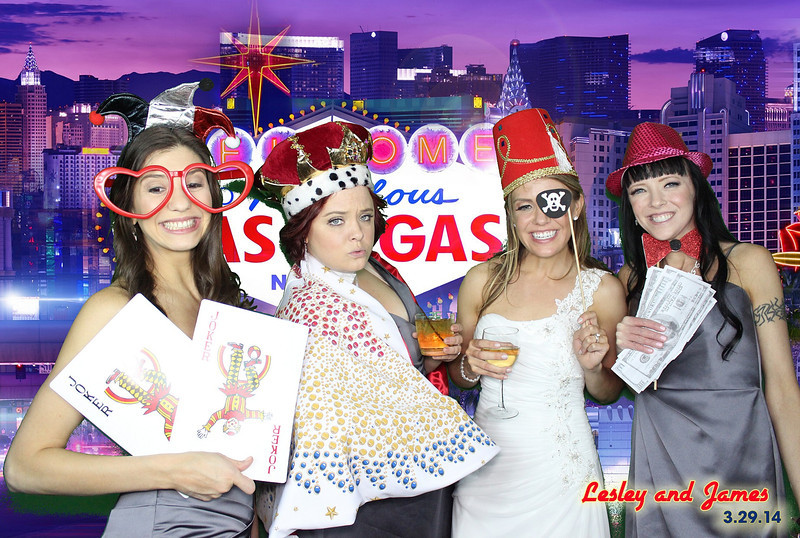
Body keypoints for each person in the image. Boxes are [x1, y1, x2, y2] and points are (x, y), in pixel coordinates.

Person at [4, 87, 258, 536]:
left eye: (194, 183)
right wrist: (172, 470)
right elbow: (26, 467)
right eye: (156, 187)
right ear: (129, 207)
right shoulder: (114, 310)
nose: (180, 202)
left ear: (214, 193)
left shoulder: (229, 307)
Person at [250, 121, 499, 537]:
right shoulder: (310, 306)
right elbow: (326, 423)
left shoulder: (379, 268)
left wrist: (434, 356)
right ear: (302, 231)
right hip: (365, 500)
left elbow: (397, 371)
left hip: (423, 478)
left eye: (365, 216)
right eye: (336, 221)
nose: (358, 233)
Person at [608, 122, 800, 536]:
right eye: (640, 190)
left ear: (696, 187)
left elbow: (783, 390)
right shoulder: (628, 280)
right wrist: (613, 349)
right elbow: (608, 386)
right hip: (661, 463)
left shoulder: (749, 262)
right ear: (630, 205)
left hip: (741, 462)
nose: (656, 201)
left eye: (670, 183)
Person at [449, 108, 627, 537]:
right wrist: (469, 365)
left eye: (552, 202)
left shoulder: (602, 289)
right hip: (487, 473)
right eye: (524, 206)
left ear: (576, 205)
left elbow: (608, 391)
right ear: (511, 215)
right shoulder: (482, 280)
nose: (540, 220)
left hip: (563, 476)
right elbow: (460, 376)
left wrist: (592, 367)